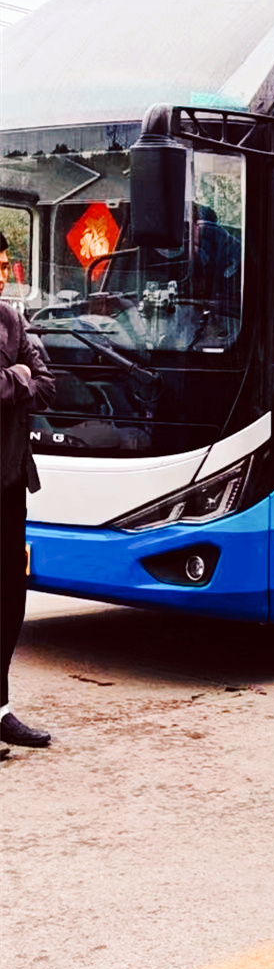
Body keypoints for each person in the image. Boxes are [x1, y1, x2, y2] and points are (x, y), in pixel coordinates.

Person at [1, 231, 56, 747]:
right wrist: (17, 377)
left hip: (11, 480)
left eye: (2, 263)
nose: (1, 273)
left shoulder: (12, 320)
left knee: (10, 598)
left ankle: (1, 710)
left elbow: (47, 381)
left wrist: (13, 375)